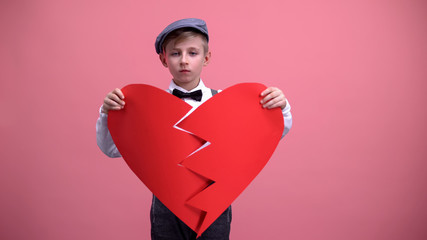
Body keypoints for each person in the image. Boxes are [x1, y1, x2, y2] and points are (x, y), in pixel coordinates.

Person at [96, 18, 292, 240]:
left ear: (206, 58)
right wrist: (106, 113)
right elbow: (111, 148)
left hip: (215, 203)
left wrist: (281, 107)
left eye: (193, 53)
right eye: (175, 53)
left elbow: (272, 132)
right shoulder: (145, 109)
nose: (184, 61)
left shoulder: (228, 104)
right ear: (163, 59)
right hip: (166, 206)